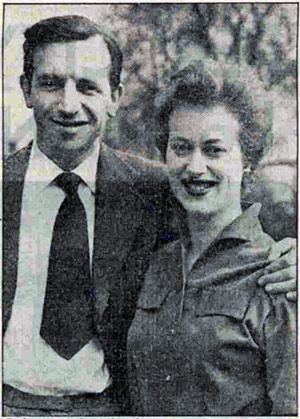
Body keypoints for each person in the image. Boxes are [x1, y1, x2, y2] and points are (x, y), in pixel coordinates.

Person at [3, 15, 296, 416]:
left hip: (108, 408)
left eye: (88, 85)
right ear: (26, 89)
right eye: (52, 83)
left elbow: (232, 225)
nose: (69, 104)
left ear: (115, 95)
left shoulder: (151, 190)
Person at [126, 63, 296, 415]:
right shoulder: (157, 263)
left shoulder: (279, 276)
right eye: (182, 147)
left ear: (247, 160)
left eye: (214, 150)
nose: (195, 166)